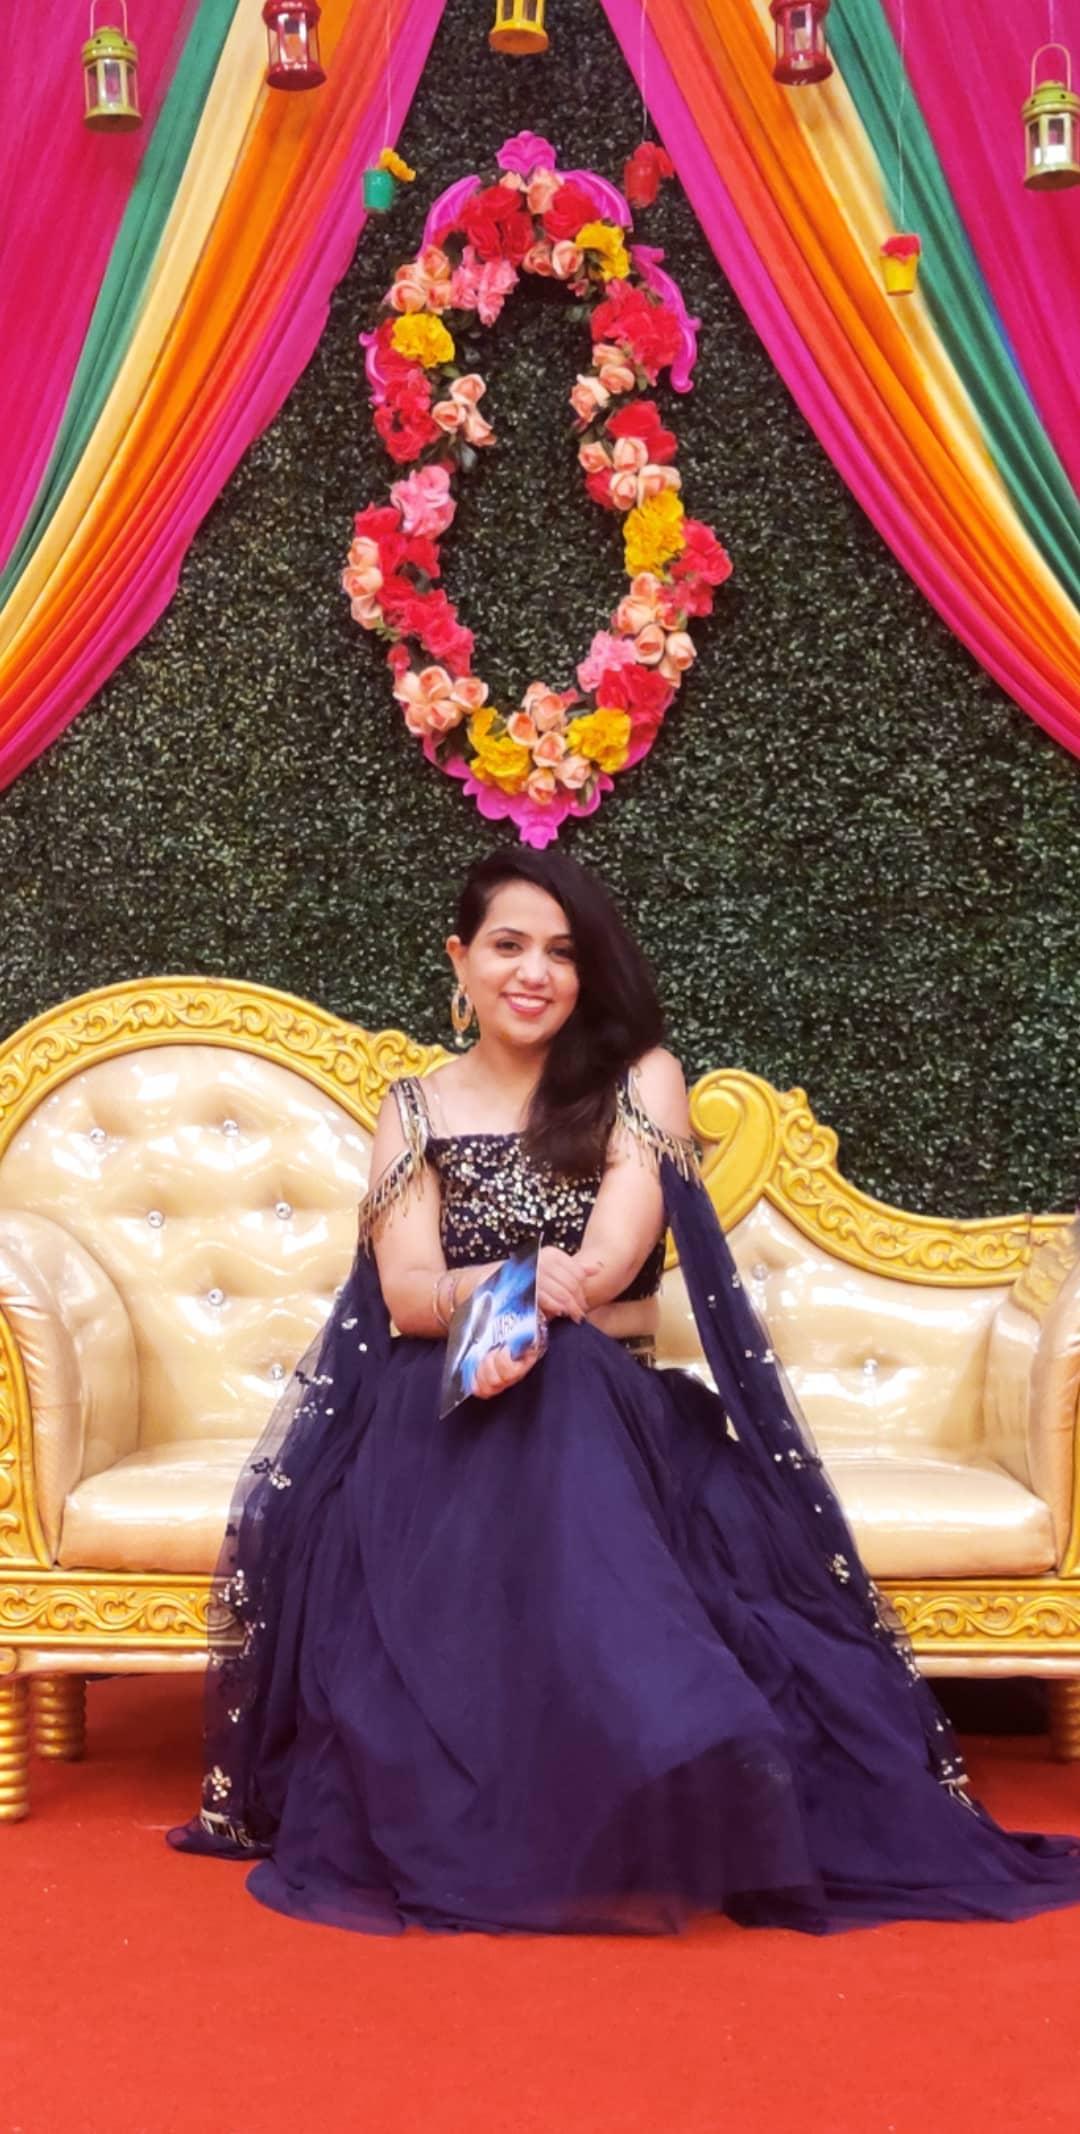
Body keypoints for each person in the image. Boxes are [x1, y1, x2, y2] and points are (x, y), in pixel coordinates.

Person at [169, 850, 1080, 1935]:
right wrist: (500, 1294)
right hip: (440, 1396)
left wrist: (533, 1300)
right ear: (459, 959)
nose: (534, 972)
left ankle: (671, 1730)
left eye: (562, 952)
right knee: (517, 1396)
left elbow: (607, 1260)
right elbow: (408, 1294)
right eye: (509, 945)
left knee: (567, 1378)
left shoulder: (639, 1079)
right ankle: (588, 1753)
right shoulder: (412, 1106)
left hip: (604, 1398)